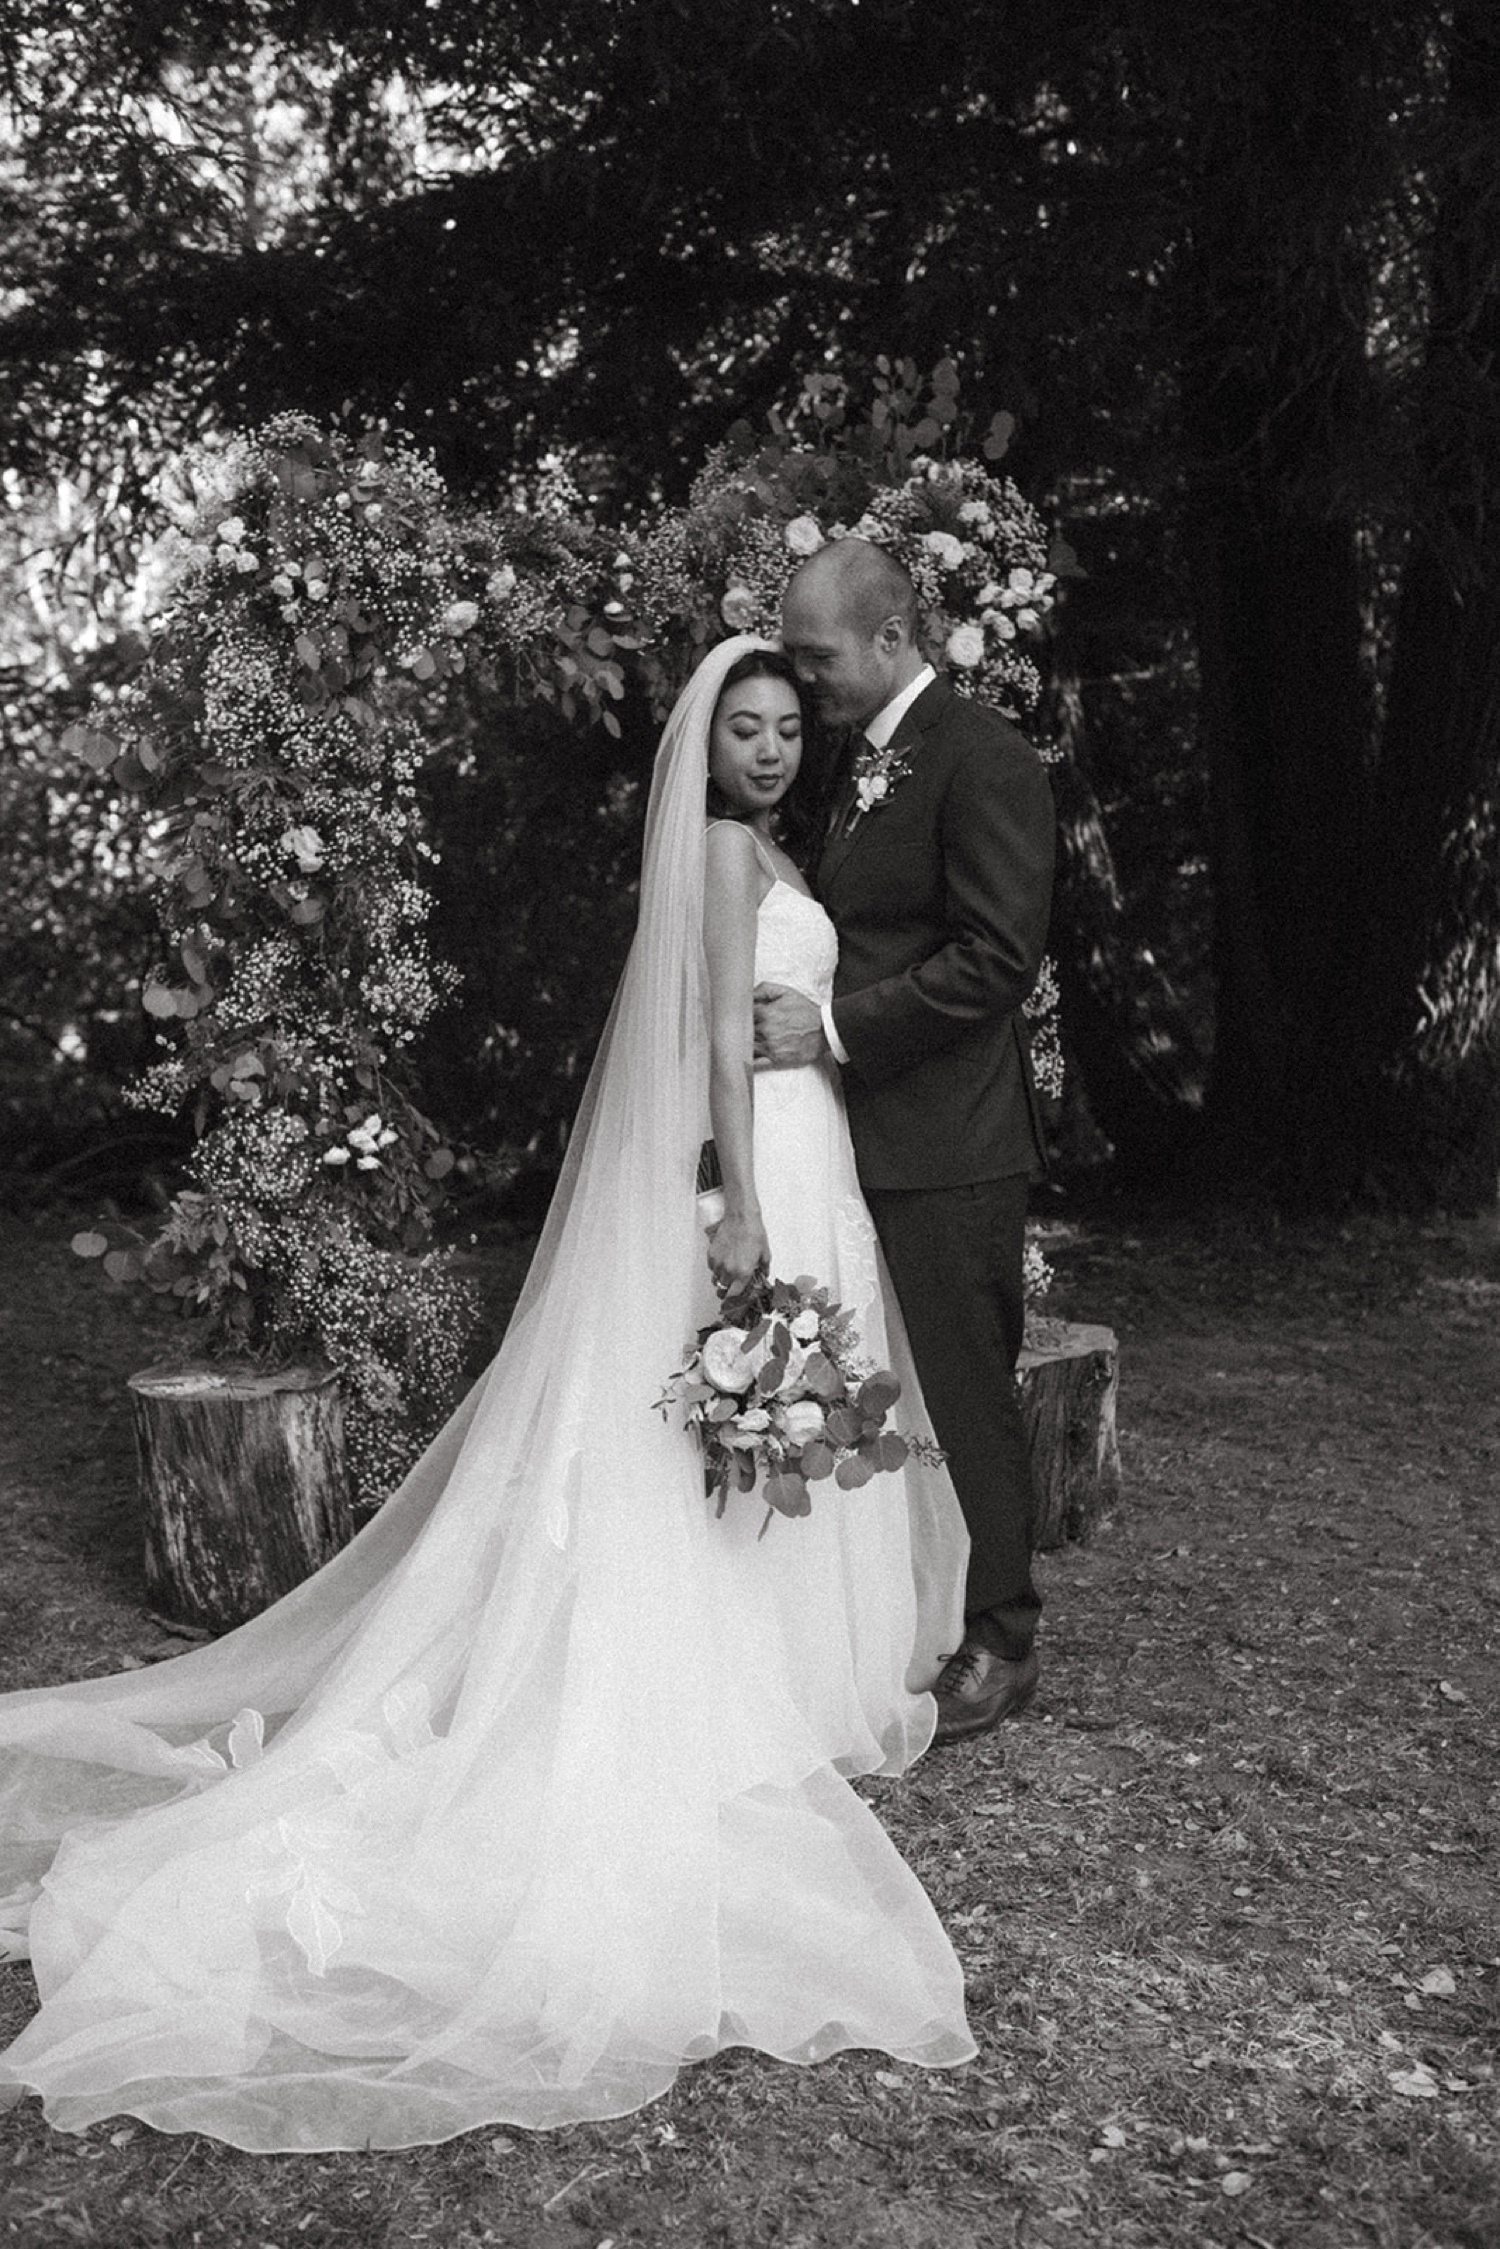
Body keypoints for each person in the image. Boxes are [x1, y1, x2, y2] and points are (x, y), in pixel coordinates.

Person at [0, 636, 974, 2152]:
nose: (771, 750)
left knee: (796, 1396)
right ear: (706, 747)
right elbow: (717, 1037)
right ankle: (732, 1672)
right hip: (758, 1160)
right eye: (748, 730)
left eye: (790, 727)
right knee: (739, 1400)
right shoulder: (724, 852)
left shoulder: (783, 843)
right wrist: (731, 1198)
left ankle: (800, 1663)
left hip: (818, 1141)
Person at [758, 541, 1056, 1745]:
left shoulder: (984, 756)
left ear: (890, 640)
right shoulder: (853, 762)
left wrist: (830, 1027)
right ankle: (901, 1605)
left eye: (819, 655)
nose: (805, 678)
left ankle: (1004, 1634)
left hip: (952, 1137)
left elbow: (996, 957)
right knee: (883, 1381)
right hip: (851, 1137)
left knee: (967, 1385)